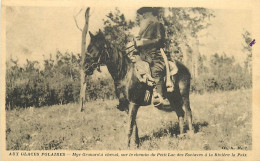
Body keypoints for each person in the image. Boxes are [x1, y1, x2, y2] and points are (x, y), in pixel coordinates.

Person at [131, 7, 175, 106]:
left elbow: (159, 40)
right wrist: (136, 43)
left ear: (151, 14)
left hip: (155, 53)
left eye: (145, 13)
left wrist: (143, 42)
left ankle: (159, 95)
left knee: (155, 68)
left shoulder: (157, 24)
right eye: (142, 14)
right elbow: (138, 44)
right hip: (142, 53)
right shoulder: (142, 28)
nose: (143, 16)